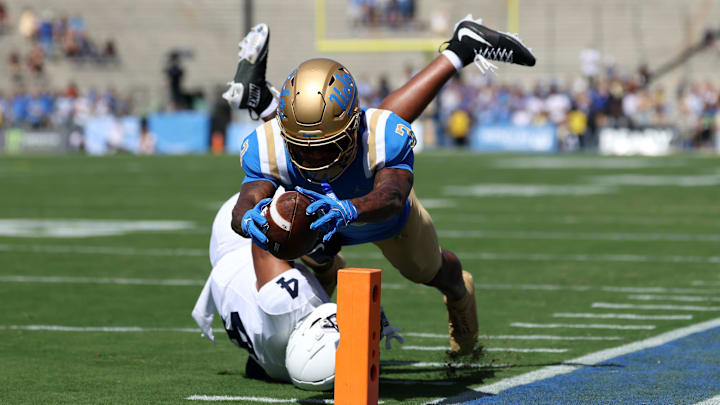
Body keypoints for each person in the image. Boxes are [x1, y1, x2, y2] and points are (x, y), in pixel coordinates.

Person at [225, 16, 534, 356]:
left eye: (328, 145)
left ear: (354, 123)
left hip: (380, 218)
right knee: (315, 265)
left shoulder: (381, 135)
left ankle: (460, 296)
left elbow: (392, 196)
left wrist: (349, 209)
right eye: (302, 147)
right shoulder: (268, 144)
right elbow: (247, 201)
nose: (316, 160)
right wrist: (247, 218)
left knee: (429, 271)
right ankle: (266, 104)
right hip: (316, 219)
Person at [192, 192, 402, 389]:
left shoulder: (284, 303)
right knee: (316, 285)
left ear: (313, 337)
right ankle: (323, 263)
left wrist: (300, 222)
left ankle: (323, 262)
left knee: (290, 220)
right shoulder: (282, 369)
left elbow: (268, 240)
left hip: (234, 246)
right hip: (249, 324)